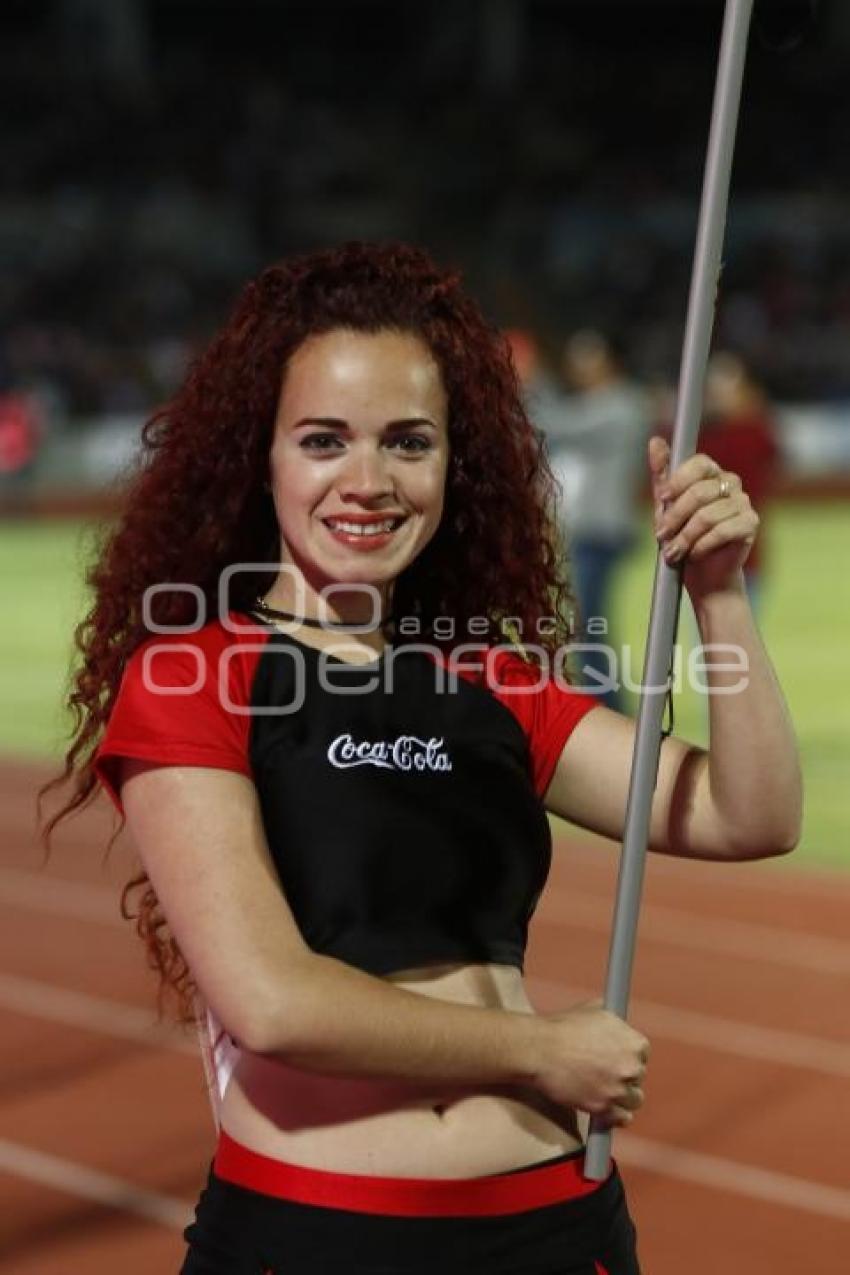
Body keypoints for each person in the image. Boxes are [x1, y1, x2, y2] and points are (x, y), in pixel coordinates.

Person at [39, 242, 801, 1275]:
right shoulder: (195, 673)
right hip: (322, 1234)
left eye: (408, 442)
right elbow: (273, 1002)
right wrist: (541, 1049)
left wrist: (716, 594)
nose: (368, 481)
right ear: (258, 460)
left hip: (556, 1226)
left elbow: (745, 817)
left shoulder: (491, 679)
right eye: (322, 441)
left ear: (455, 463)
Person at [540, 331, 648, 711]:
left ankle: (609, 709)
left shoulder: (624, 404)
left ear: (611, 362)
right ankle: (601, 704)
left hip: (603, 532)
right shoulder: (595, 405)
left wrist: (528, 389)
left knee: (588, 626)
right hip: (584, 532)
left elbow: (559, 426)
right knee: (585, 624)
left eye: (590, 359)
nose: (582, 368)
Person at [699, 351, 781, 614]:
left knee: (741, 641)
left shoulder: (754, 429)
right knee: (706, 643)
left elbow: (764, 460)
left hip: (745, 553)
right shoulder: (705, 432)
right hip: (704, 552)